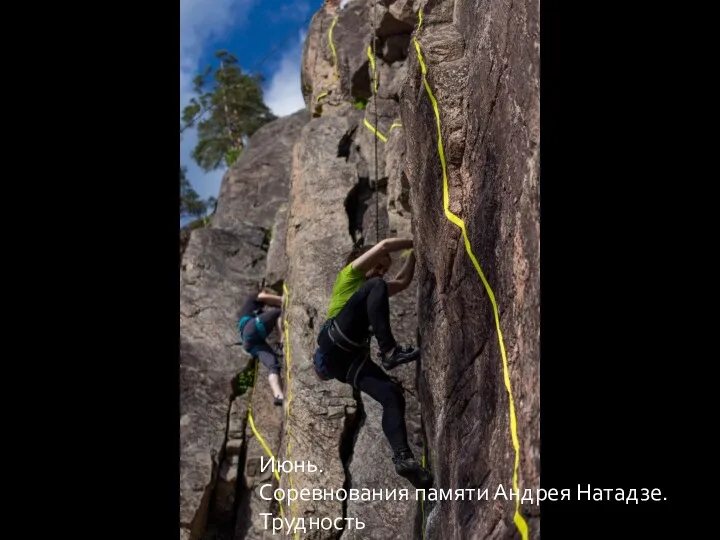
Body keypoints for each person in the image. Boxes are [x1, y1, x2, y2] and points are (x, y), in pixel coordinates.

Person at [312, 238, 433, 489]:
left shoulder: (372, 290)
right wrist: (416, 238)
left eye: (384, 269)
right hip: (335, 339)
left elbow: (401, 282)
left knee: (391, 394)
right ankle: (389, 351)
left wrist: (413, 254)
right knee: (376, 285)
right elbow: (385, 245)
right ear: (363, 262)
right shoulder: (349, 276)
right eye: (378, 266)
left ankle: (403, 458)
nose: (381, 272)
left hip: (346, 361)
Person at [237, 286, 285, 406]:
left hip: (250, 343)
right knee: (280, 311)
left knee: (273, 365)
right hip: (251, 328)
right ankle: (282, 340)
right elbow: (264, 297)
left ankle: (278, 395)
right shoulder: (252, 295)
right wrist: (282, 299)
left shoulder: (252, 310)